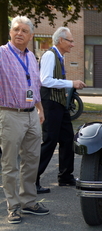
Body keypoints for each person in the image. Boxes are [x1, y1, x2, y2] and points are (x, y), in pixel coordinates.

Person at [0, 15, 49, 224]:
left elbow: (34, 85)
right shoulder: (1, 54)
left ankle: (29, 201)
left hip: (31, 114)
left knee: (31, 161)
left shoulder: (31, 56)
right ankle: (13, 206)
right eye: (16, 29)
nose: (19, 33)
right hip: (10, 114)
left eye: (24, 30)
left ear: (31, 35)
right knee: (10, 164)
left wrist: (40, 108)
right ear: (10, 32)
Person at [36, 27, 86, 194]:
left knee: (67, 139)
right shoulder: (50, 55)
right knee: (49, 140)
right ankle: (32, 179)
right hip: (50, 103)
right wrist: (71, 83)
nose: (72, 44)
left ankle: (65, 176)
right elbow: (45, 81)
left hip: (59, 104)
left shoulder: (60, 56)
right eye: (70, 41)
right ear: (60, 41)